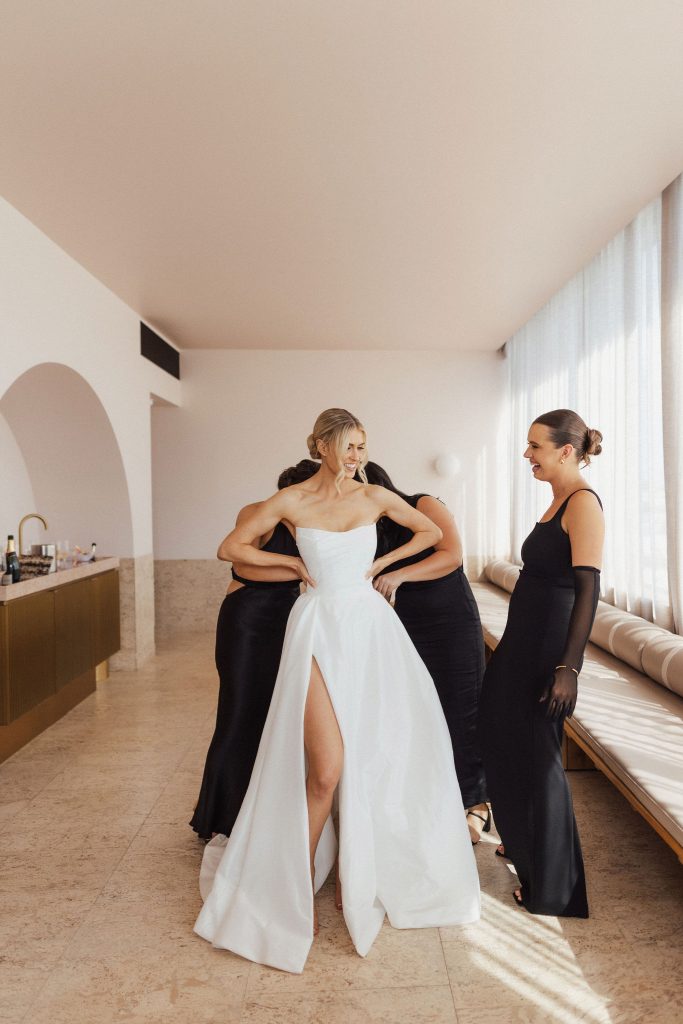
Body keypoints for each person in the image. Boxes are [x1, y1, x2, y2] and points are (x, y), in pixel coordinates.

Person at [194, 408, 480, 973]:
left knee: (374, 756)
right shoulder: (291, 501)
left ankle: (366, 873)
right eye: (349, 446)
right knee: (325, 769)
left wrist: (386, 565)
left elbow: (432, 533)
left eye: (363, 446)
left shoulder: (374, 497)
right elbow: (231, 548)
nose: (357, 456)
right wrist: (291, 565)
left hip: (372, 631)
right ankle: (292, 893)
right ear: (321, 445)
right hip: (318, 627)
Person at [479, 409, 604, 916]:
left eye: (535, 446)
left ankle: (555, 887)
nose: (527, 454)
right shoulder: (555, 499)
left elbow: (588, 590)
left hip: (548, 649)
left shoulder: (583, 503)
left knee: (538, 757)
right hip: (521, 641)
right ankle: (523, 843)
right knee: (498, 734)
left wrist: (568, 668)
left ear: (566, 451)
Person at [190, 460, 319, 841]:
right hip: (247, 620)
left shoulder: (312, 522)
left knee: (276, 715)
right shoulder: (257, 512)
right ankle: (222, 815)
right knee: (240, 710)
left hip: (288, 620)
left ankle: (265, 811)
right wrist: (295, 565)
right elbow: (242, 567)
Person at [363, 462, 488, 842]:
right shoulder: (364, 529)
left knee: (461, 710)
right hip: (400, 629)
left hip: (450, 624)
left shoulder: (424, 504)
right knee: (414, 713)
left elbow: (452, 554)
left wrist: (398, 574)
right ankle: (430, 799)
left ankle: (476, 805)